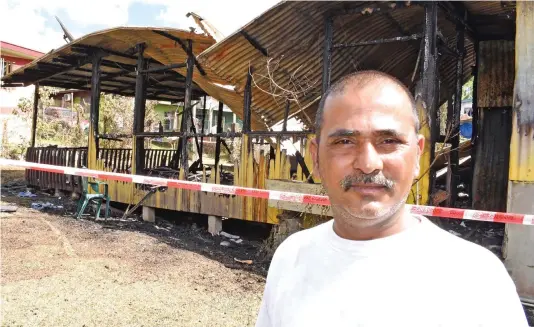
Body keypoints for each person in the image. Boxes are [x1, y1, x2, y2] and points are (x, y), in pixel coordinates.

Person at [255, 71, 528, 327]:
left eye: (389, 141)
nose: (368, 163)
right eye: (345, 142)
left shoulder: (476, 279)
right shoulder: (291, 258)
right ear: (315, 157)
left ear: (418, 155)